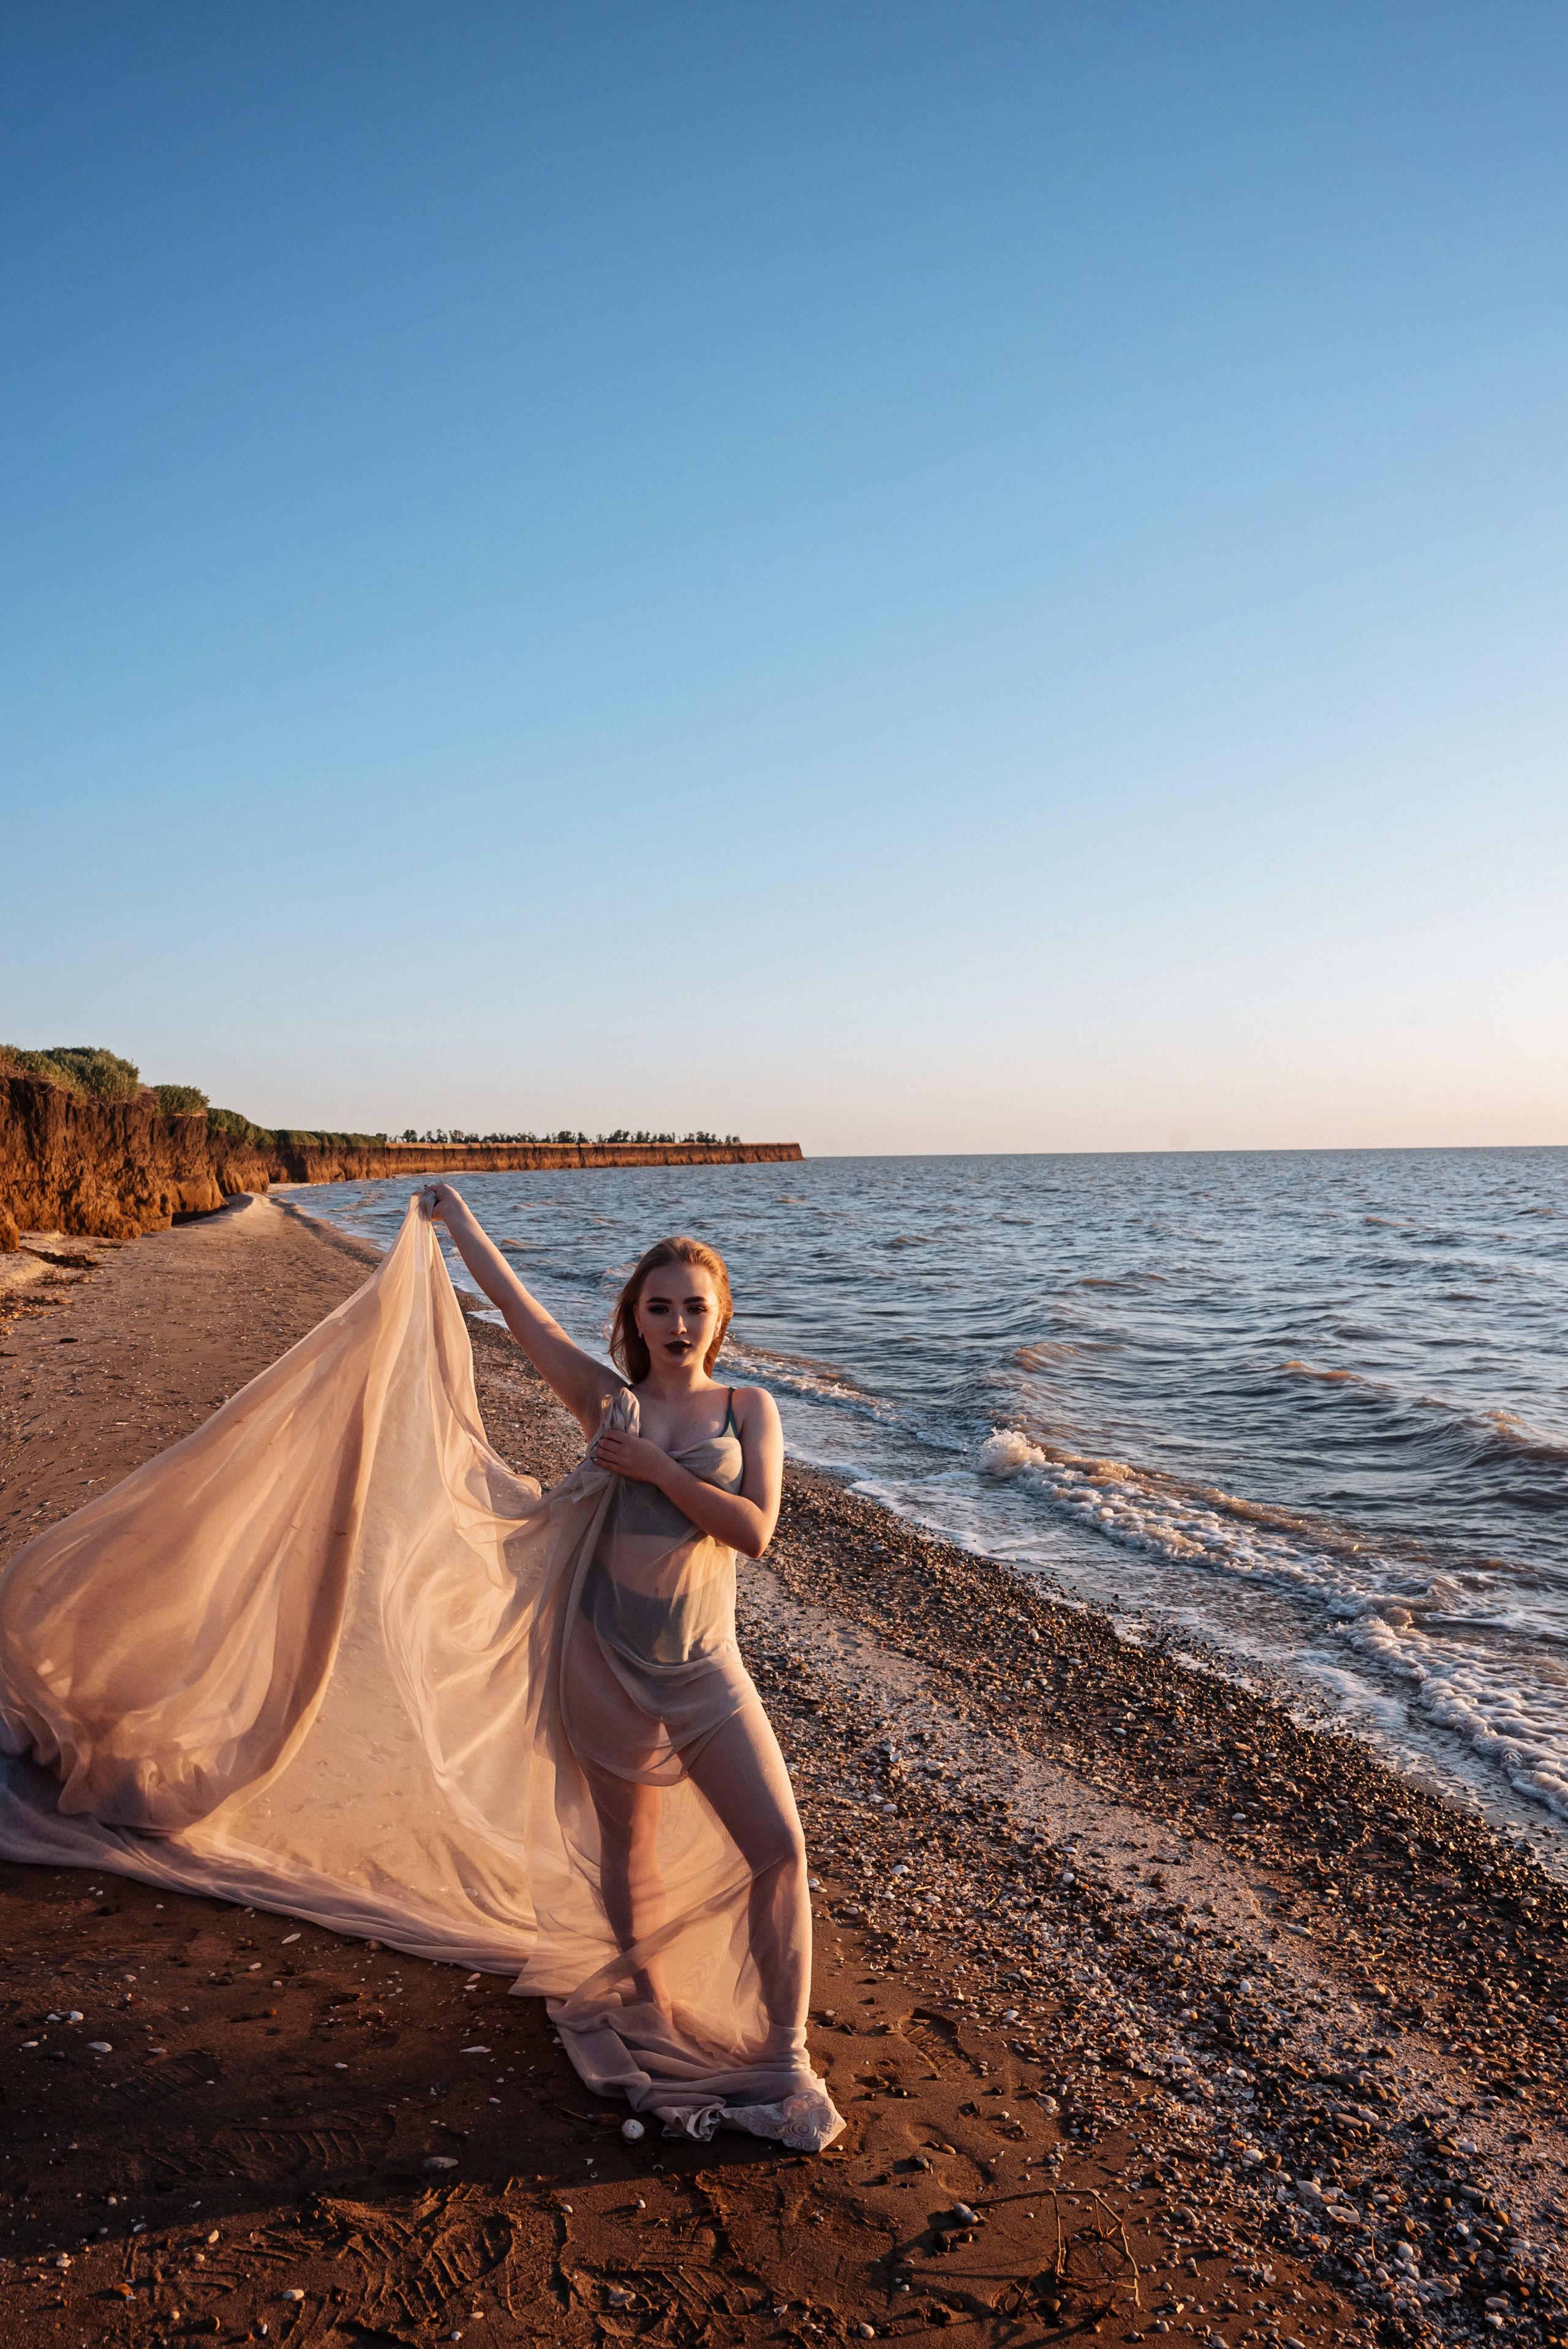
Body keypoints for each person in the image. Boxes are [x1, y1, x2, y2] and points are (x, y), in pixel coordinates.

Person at [0, 1183, 843, 2152]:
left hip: (704, 1667)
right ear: (635, 1316)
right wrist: (457, 1221)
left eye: (695, 1306)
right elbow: (518, 1311)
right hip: (601, 1667)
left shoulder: (748, 1408)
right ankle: (649, 2000)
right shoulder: (609, 1400)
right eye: (661, 1306)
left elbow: (756, 1530)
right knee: (629, 1853)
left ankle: (782, 2059)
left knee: (780, 1846)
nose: (679, 1324)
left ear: (721, 1314)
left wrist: (655, 1468)